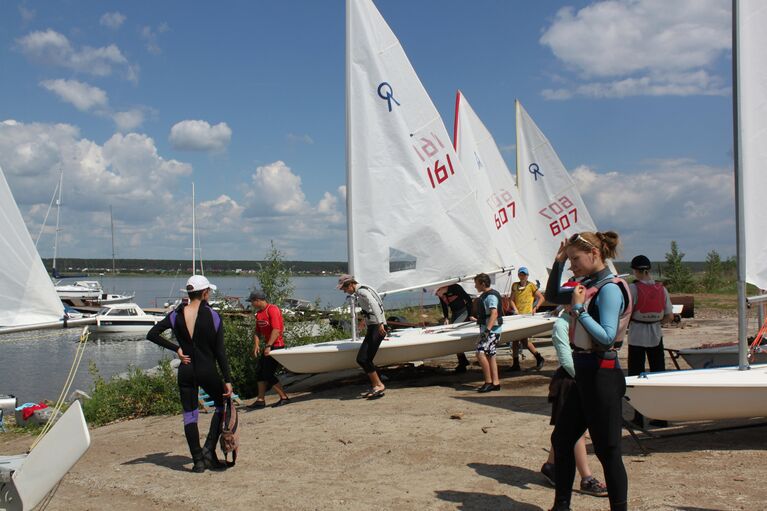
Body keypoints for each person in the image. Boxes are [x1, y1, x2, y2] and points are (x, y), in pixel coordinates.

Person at [544, 232, 633, 511]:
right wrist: (557, 263)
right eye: (569, 260)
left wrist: (580, 309)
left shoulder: (608, 289)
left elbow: (606, 337)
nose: (572, 265)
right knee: (562, 439)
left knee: (608, 451)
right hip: (583, 374)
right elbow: (550, 296)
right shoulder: (586, 283)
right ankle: (561, 506)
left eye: (574, 259)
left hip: (602, 375)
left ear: (594, 254)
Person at [146, 275, 233, 473]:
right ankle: (209, 451)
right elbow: (220, 352)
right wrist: (227, 379)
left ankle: (197, 461)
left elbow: (152, 334)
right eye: (209, 291)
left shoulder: (176, 315)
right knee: (222, 405)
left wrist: (176, 349)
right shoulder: (213, 315)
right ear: (205, 293)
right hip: (207, 369)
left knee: (190, 415)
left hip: (186, 370)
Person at [541, 281, 608, 498]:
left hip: (582, 377)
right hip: (570, 381)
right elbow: (566, 359)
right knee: (576, 432)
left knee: (565, 429)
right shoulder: (562, 324)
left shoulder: (581, 319)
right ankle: (586, 478)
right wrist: (585, 378)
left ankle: (551, 465)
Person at [627, 255, 673, 428]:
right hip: (656, 334)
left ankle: (638, 418)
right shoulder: (662, 289)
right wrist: (655, 322)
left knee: (635, 376)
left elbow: (626, 312)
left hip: (637, 334)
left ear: (635, 270)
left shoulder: (633, 288)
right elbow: (669, 316)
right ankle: (661, 416)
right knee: (658, 375)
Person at [338, 274, 387, 399]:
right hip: (374, 326)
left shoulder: (361, 291)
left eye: (344, 288)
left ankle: (379, 385)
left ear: (350, 284)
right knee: (365, 359)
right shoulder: (365, 288)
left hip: (377, 326)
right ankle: (377, 384)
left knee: (363, 359)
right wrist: (365, 322)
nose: (344, 291)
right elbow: (372, 307)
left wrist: (381, 323)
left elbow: (374, 304)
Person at [247, 290, 290, 409]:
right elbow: (257, 331)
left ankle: (284, 397)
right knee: (260, 373)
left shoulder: (272, 309)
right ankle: (260, 400)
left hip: (276, 346)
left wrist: (268, 346)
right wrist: (256, 345)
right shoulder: (259, 313)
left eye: (252, 302)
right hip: (268, 346)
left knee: (267, 373)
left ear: (258, 300)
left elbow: (276, 330)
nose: (251, 304)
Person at [509, 267, 546, 371]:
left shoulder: (531, 286)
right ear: (518, 275)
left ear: (527, 275)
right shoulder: (515, 285)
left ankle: (539, 357)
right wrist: (515, 309)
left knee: (523, 339)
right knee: (515, 339)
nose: (522, 276)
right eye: (521, 274)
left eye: (524, 274)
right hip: (517, 316)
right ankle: (516, 363)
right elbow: (511, 300)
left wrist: (536, 307)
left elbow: (542, 298)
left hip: (527, 316)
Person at [436, 284, 475, 373]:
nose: (437, 294)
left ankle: (463, 361)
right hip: (454, 313)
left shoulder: (456, 288)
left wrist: (470, 315)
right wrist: (446, 318)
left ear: (442, 287)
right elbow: (444, 306)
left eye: (437, 292)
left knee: (454, 334)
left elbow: (468, 300)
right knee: (453, 337)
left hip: (463, 311)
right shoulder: (440, 293)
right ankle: (463, 361)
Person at [473, 273, 502, 393]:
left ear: (483, 284)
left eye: (476, 283)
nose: (475, 286)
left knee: (480, 353)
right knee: (490, 355)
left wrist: (487, 331)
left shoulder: (490, 296)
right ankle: (496, 383)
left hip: (491, 331)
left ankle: (488, 382)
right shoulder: (486, 295)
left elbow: (494, 313)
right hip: (491, 330)